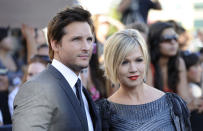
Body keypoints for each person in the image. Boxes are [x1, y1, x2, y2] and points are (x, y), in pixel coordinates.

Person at [12, 6, 101, 131]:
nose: (86, 47)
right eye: (77, 39)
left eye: (89, 39)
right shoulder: (37, 88)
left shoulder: (80, 89)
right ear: (55, 44)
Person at [96, 29, 191, 130]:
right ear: (112, 65)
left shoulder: (172, 104)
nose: (133, 69)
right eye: (124, 62)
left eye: (138, 60)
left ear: (145, 61)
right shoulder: (104, 113)